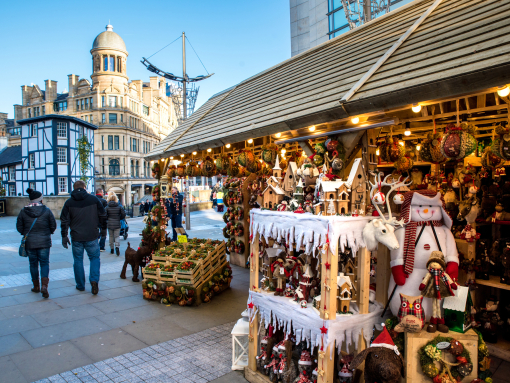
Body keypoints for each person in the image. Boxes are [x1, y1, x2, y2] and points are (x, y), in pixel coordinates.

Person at [61, 180, 106, 295]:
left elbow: (64, 220)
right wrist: (103, 229)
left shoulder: (69, 203)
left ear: (74, 188)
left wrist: (64, 236)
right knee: (95, 258)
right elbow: (102, 215)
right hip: (92, 235)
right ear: (85, 188)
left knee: (78, 260)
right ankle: (94, 280)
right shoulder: (94, 200)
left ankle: (80, 285)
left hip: (76, 236)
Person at [16, 188, 57, 298]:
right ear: (40, 200)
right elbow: (53, 225)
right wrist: (48, 232)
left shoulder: (23, 211)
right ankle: (44, 286)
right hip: (44, 241)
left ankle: (36, 286)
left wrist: (25, 233)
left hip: (30, 242)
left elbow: (19, 227)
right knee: (44, 263)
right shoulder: (47, 210)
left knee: (33, 264)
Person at [105, 191, 126, 255]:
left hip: (110, 223)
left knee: (111, 236)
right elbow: (123, 214)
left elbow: (104, 215)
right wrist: (120, 218)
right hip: (117, 223)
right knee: (117, 236)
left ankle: (112, 249)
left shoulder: (107, 207)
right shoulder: (119, 207)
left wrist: (107, 219)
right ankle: (117, 247)